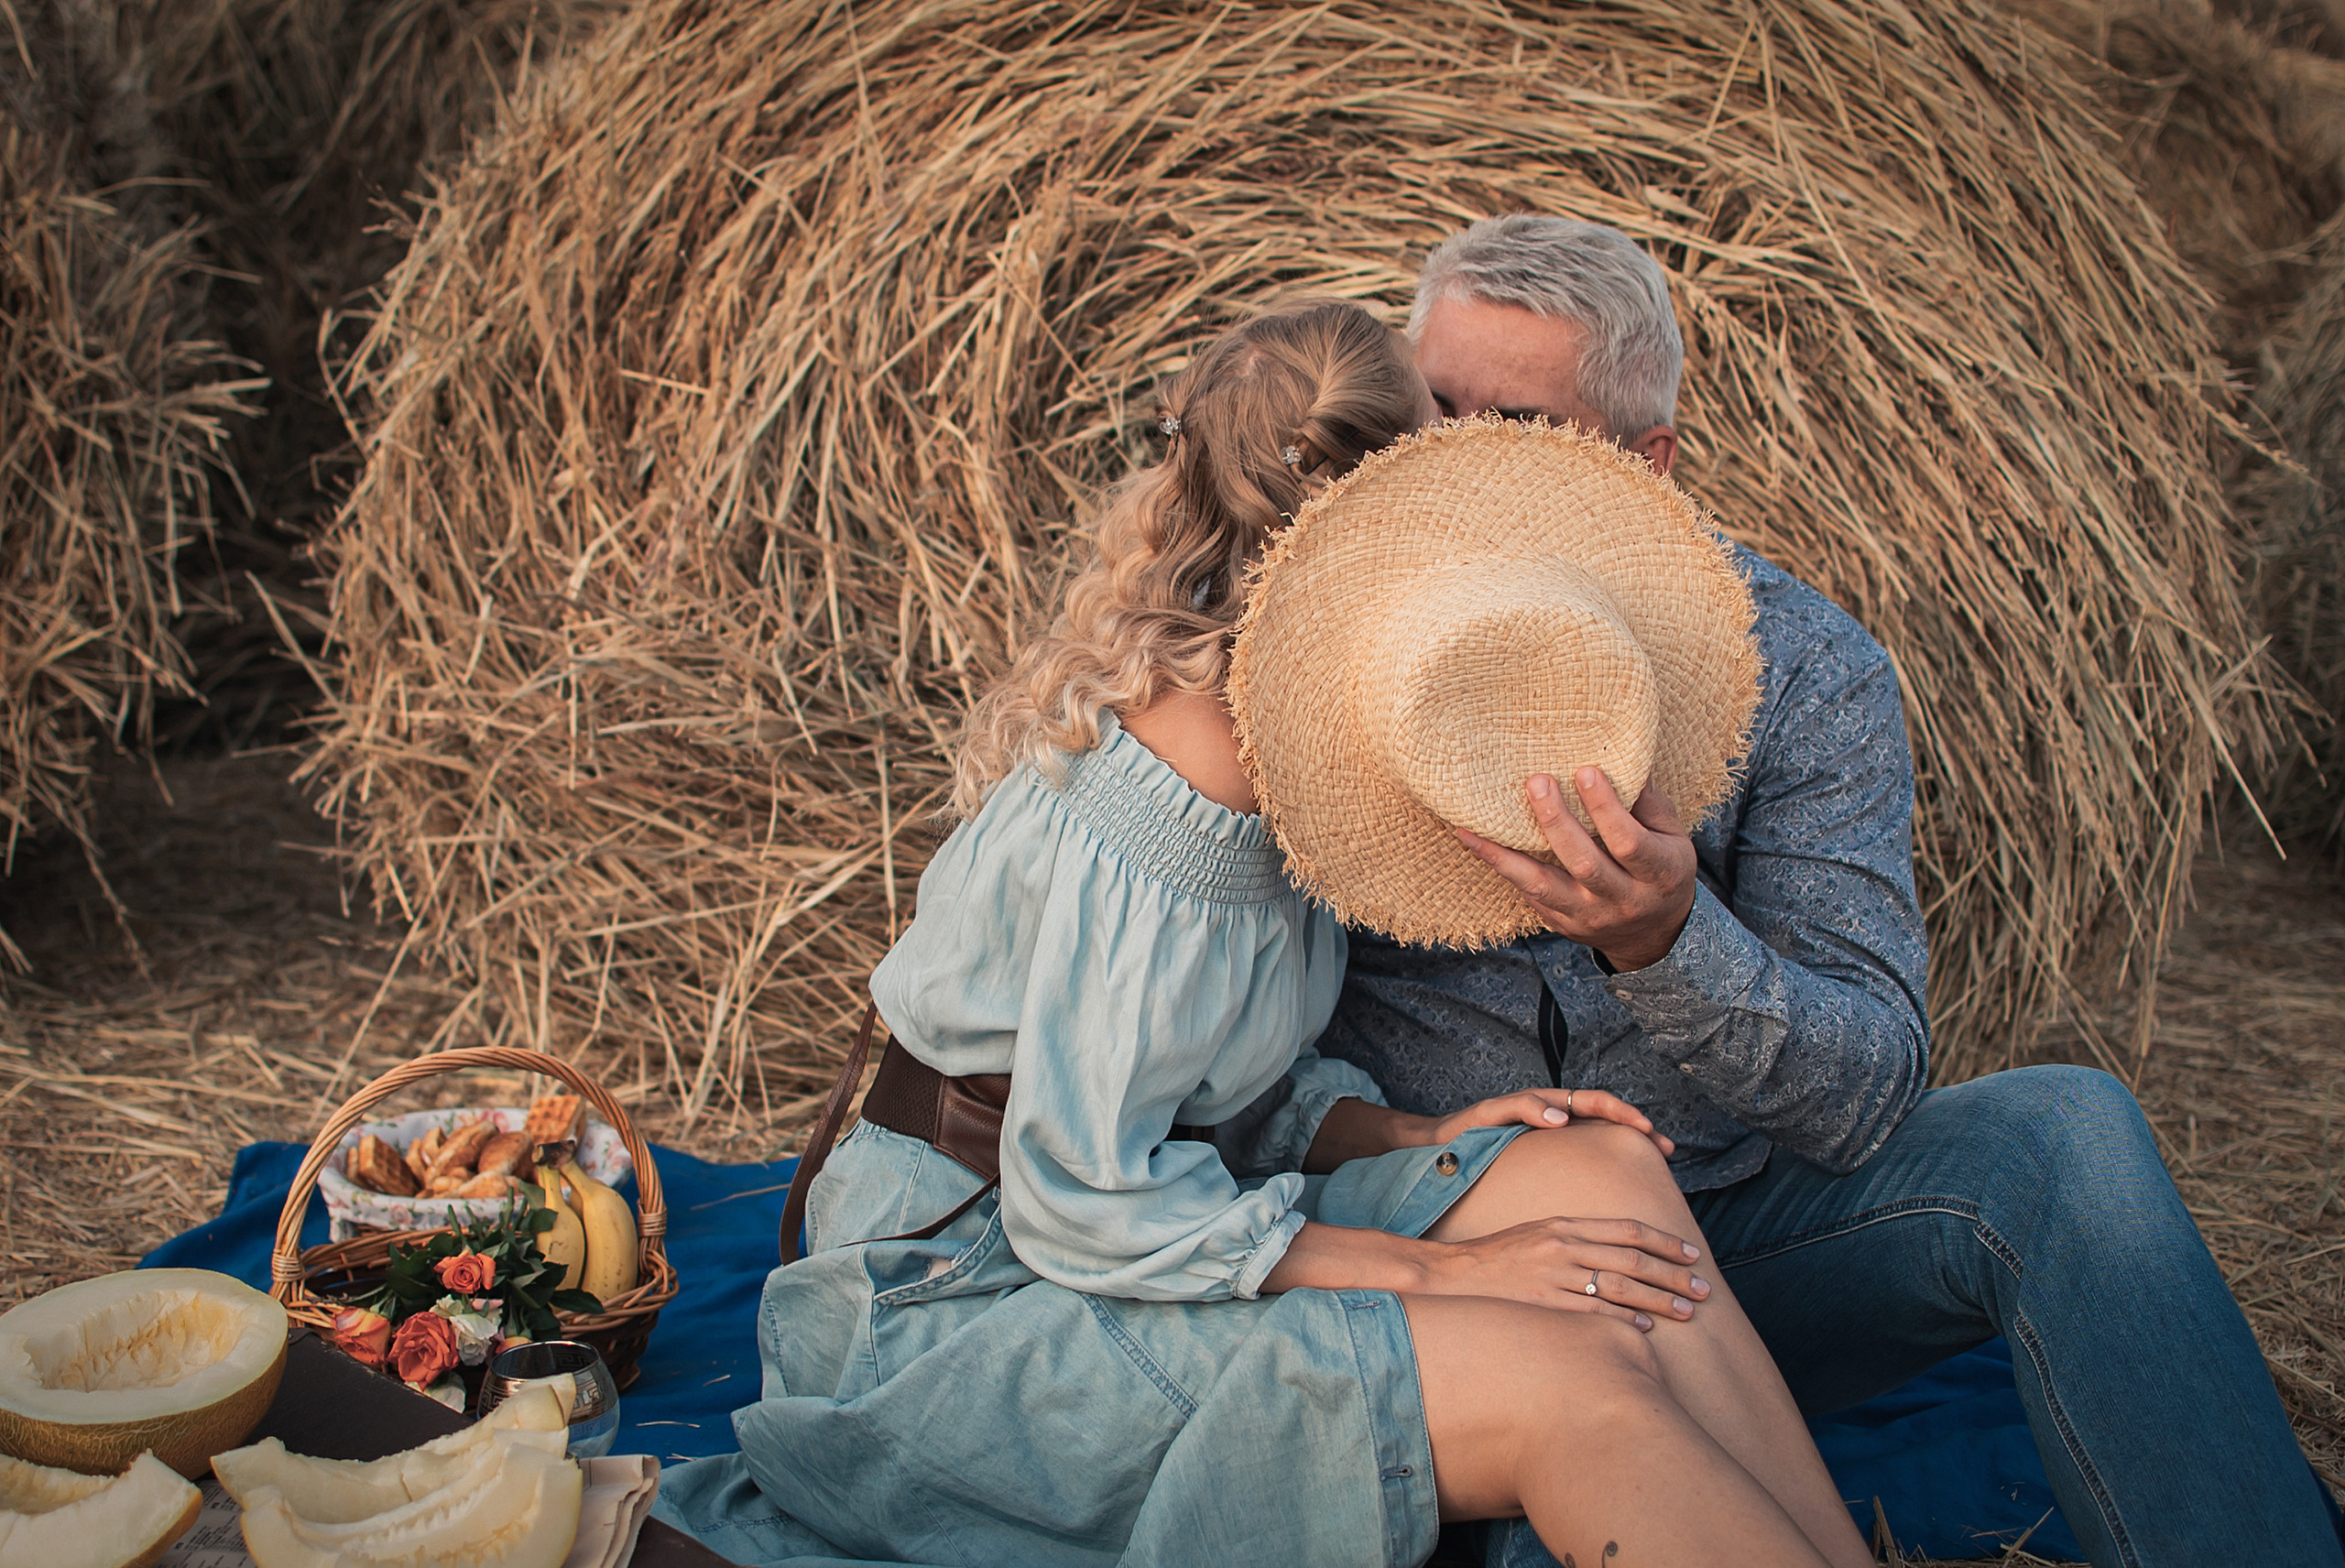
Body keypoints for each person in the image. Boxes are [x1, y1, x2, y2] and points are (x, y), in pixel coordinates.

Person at [651, 299, 1874, 1567]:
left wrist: (1417, 1134)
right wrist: (1443, 1278)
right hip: (964, 1289)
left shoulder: (1301, 736)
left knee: (1602, 1177)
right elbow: (1087, 1192)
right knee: (1565, 1371)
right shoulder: (1184, 796)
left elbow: (1211, 1095)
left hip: (1142, 1210)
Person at [1314, 212, 2343, 1567]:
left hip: (1736, 1232)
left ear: (1645, 463)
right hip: (1434, 1245)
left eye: (1513, 423)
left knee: (2066, 1136)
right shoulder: (1310, 642)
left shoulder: (1802, 669)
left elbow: (1865, 1091)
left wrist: (1670, 944)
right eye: (1430, 404)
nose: (1449, 460)